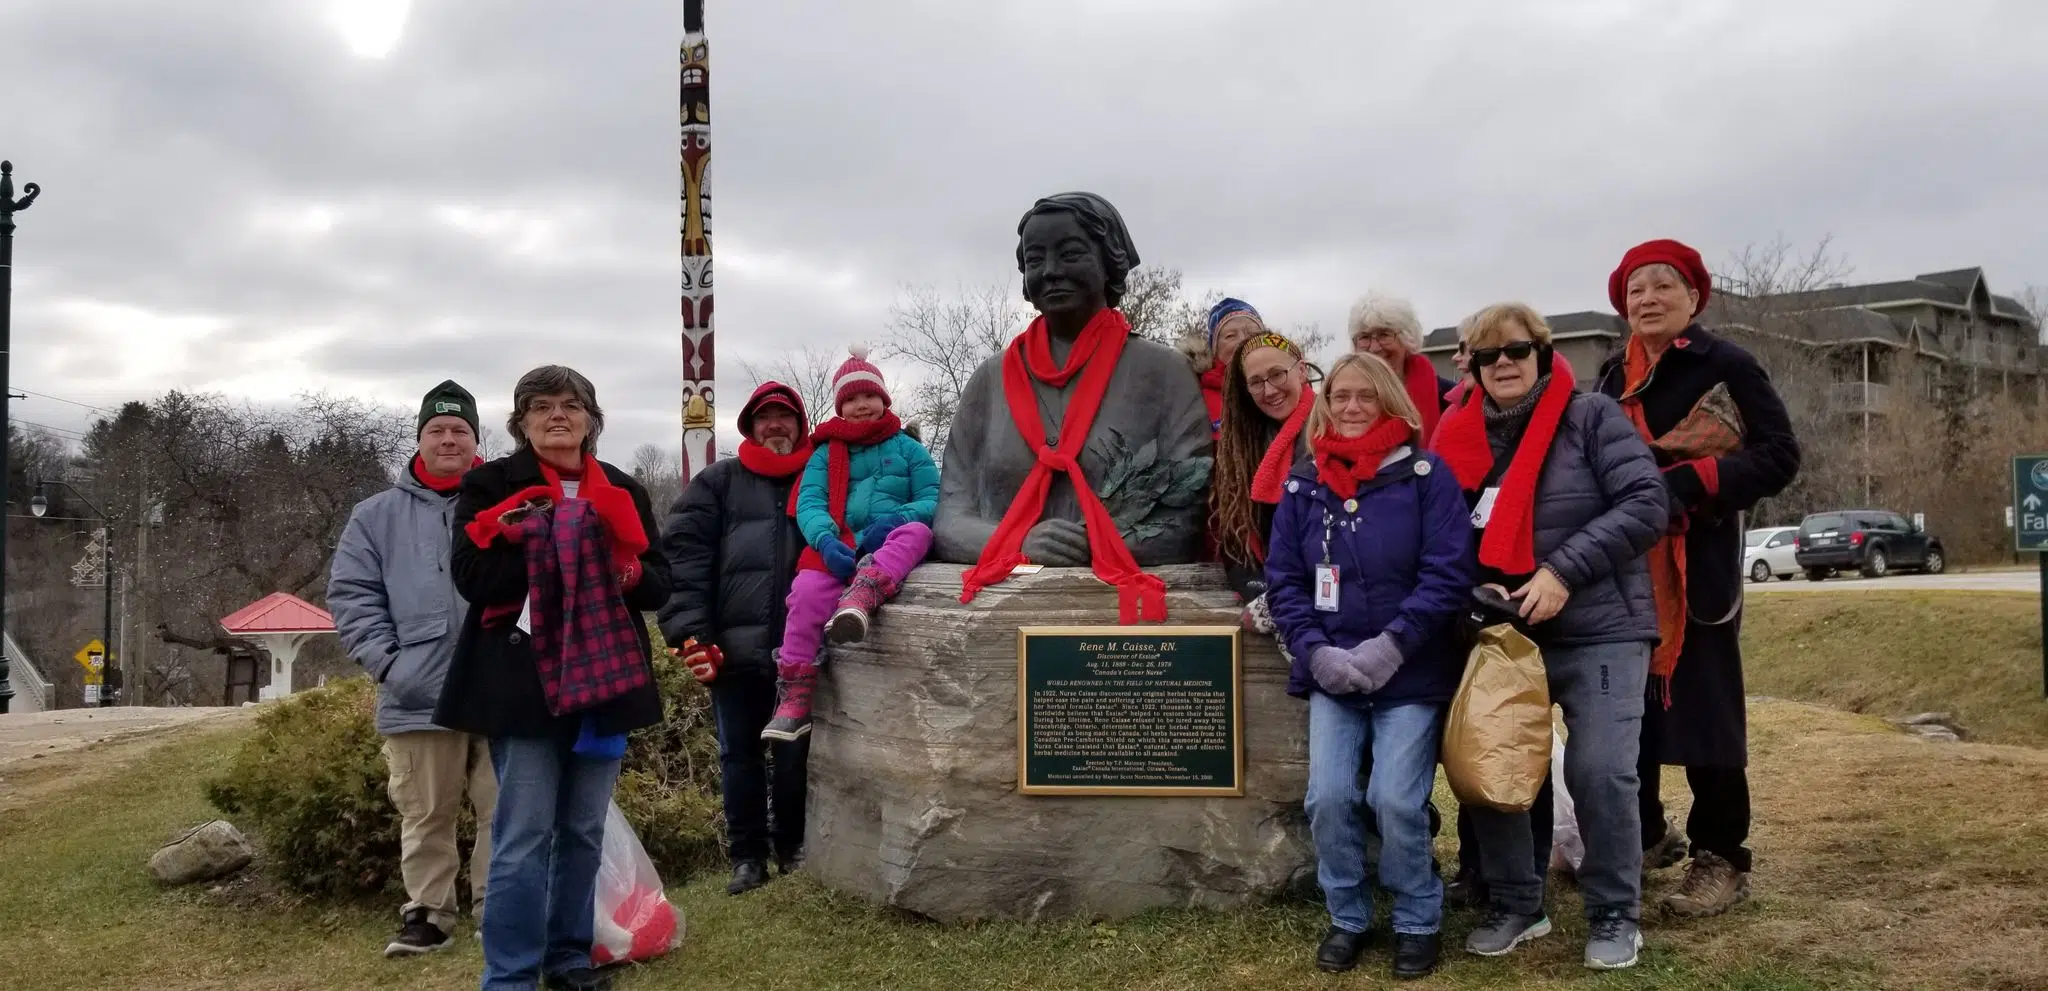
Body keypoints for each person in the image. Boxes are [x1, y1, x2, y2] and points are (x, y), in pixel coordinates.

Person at [1432, 304, 1668, 969]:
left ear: (1541, 352)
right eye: (1487, 356)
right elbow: (1442, 537)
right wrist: (1475, 593)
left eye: (1516, 350)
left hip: (1601, 627)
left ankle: (1615, 910)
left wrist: (1563, 568)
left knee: (1599, 770)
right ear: (1473, 367)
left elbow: (1647, 502)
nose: (1503, 363)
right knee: (1497, 764)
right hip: (1507, 637)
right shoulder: (1456, 436)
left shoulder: (1591, 417)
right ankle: (1517, 901)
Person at [437, 365, 672, 991]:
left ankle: (569, 960)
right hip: (523, 682)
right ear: (520, 424)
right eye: (540, 407)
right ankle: (510, 975)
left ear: (592, 420)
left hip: (607, 681)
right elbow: (472, 577)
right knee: (523, 835)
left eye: (571, 405)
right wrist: (553, 547)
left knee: (583, 830)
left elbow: (658, 580)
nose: (557, 416)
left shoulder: (622, 489)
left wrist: (622, 574)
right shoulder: (490, 485)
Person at [1596, 240, 1800, 919]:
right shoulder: (1607, 378)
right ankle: (1645, 833)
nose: (1648, 298)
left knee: (1708, 716)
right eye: (1635, 290)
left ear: (1693, 297)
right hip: (1623, 572)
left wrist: (1690, 482)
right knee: (1625, 715)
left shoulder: (1728, 366)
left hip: (1696, 569)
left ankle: (1721, 855)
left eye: (1663, 285)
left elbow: (1778, 455)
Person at [1266, 351, 1474, 979]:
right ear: (1324, 405)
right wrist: (1314, 651)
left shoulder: (1423, 476)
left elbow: (1448, 573)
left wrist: (1392, 645)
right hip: (1333, 674)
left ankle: (1416, 916)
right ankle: (1349, 915)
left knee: (1395, 800)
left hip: (1407, 673)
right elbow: (1285, 583)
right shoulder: (1304, 485)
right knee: (1328, 798)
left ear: (1389, 401)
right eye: (1339, 396)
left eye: (1365, 396)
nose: (1351, 408)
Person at [933, 192, 1213, 617]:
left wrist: (1093, 544)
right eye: (1034, 260)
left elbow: (1188, 511)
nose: (1049, 272)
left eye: (1070, 254)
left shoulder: (1164, 374)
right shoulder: (988, 382)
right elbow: (951, 517)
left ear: (1109, 262)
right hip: (1003, 606)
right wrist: (1021, 541)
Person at [329, 380, 497, 958]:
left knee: (505, 804)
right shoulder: (374, 516)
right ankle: (428, 914)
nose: (449, 439)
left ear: (477, 441)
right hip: (416, 692)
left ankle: (499, 906)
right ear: (420, 438)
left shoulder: (505, 500)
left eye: (461, 430)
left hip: (500, 685)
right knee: (426, 811)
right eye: (438, 429)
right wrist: (390, 664)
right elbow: (352, 596)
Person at [657, 381, 815, 896]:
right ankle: (747, 857)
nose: (776, 425)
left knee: (798, 757)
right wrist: (692, 634)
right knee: (739, 756)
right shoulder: (717, 482)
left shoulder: (819, 480)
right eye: (765, 417)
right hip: (734, 650)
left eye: (785, 417)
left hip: (803, 653)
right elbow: (684, 562)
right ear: (749, 426)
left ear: (799, 426)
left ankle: (792, 847)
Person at [762, 348, 939, 742]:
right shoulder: (825, 453)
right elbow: (809, 501)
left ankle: (863, 594)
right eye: (853, 398)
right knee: (805, 594)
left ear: (883, 399)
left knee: (919, 533)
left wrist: (900, 518)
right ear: (841, 406)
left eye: (869, 396)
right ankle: (795, 695)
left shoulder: (909, 448)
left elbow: (933, 496)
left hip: (891, 539)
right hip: (840, 544)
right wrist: (824, 541)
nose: (862, 405)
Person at [1209, 330, 1313, 627]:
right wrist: (1257, 587)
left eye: (1277, 374)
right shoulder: (1245, 444)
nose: (1269, 391)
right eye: (1256, 382)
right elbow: (1233, 529)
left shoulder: (1331, 429)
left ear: (1302, 370)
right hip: (1266, 587)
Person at [1350, 291, 1456, 441]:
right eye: (1364, 337)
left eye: (1384, 335)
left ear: (1407, 339)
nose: (1374, 348)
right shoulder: (1343, 402)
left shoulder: (1448, 399)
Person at [1190, 297, 1269, 437]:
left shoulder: (1283, 389)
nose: (1243, 340)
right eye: (1230, 336)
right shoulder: (1193, 397)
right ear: (1214, 349)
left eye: (1253, 334)